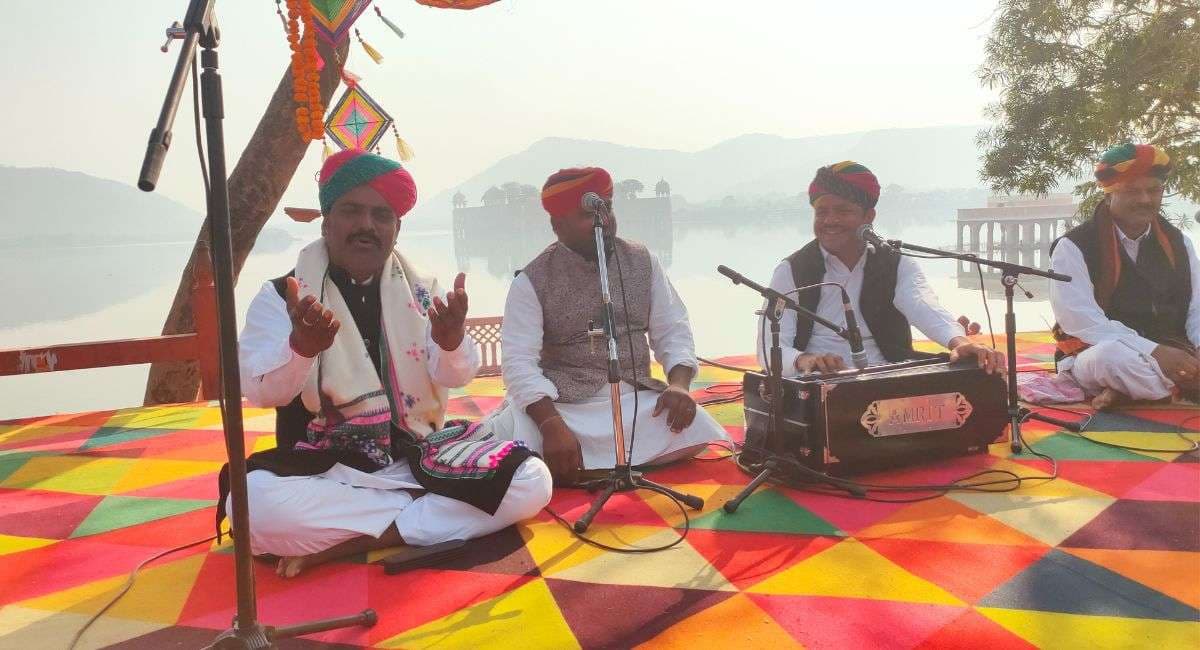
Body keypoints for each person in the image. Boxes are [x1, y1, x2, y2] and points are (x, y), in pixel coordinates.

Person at [222, 149, 552, 578]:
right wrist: (301, 349)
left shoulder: (423, 292)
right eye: (352, 211)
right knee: (250, 507)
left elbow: (458, 375)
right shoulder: (283, 295)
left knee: (531, 479)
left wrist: (450, 343)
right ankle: (425, 517)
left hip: (423, 455)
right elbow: (262, 391)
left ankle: (351, 541)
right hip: (325, 469)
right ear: (327, 222)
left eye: (381, 215)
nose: (366, 226)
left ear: (396, 229)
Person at [484, 167, 729, 485]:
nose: (605, 222)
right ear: (558, 226)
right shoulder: (532, 280)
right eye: (589, 215)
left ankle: (586, 467)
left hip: (634, 400)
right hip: (565, 406)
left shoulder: (643, 261)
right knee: (521, 438)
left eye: (607, 209)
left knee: (695, 429)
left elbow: (673, 329)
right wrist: (549, 424)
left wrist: (679, 386)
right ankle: (586, 456)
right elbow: (518, 363)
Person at [759, 160, 1004, 376]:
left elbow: (923, 304)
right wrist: (804, 360)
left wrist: (958, 342)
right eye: (821, 212)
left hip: (889, 375)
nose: (829, 221)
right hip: (817, 382)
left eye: (843, 211)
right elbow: (768, 347)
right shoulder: (791, 270)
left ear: (868, 216)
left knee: (974, 372)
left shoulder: (896, 263)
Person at [1049, 143, 1199, 410]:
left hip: (1176, 349)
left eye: (1153, 191)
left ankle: (1130, 392)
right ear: (1109, 195)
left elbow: (1196, 308)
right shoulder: (1073, 246)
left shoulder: (1179, 243)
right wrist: (1153, 351)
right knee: (1112, 359)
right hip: (1100, 352)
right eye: (1132, 191)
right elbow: (1081, 322)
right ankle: (1179, 387)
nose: (1144, 199)